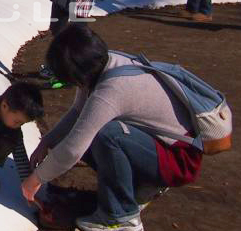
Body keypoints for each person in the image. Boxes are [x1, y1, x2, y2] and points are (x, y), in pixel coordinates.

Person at [22, 24, 203, 231]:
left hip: (178, 159)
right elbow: (77, 113)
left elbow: (73, 149)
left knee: (105, 135)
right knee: (87, 132)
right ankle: (135, 188)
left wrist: (35, 180)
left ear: (77, 72)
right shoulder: (103, 64)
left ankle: (122, 217)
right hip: (155, 146)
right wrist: (47, 142)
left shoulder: (111, 89)